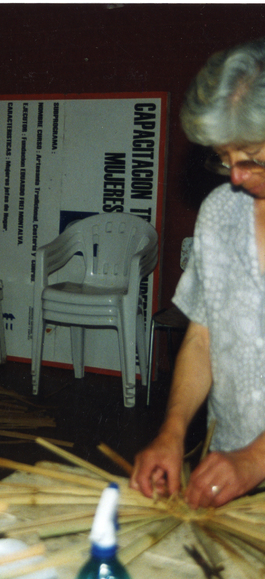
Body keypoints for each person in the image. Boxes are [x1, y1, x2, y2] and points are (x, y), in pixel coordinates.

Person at [131, 37, 265, 511]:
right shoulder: (220, 213)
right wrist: (171, 432)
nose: (234, 176)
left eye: (251, 157)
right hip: (228, 464)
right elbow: (203, 338)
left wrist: (256, 459)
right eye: (223, 158)